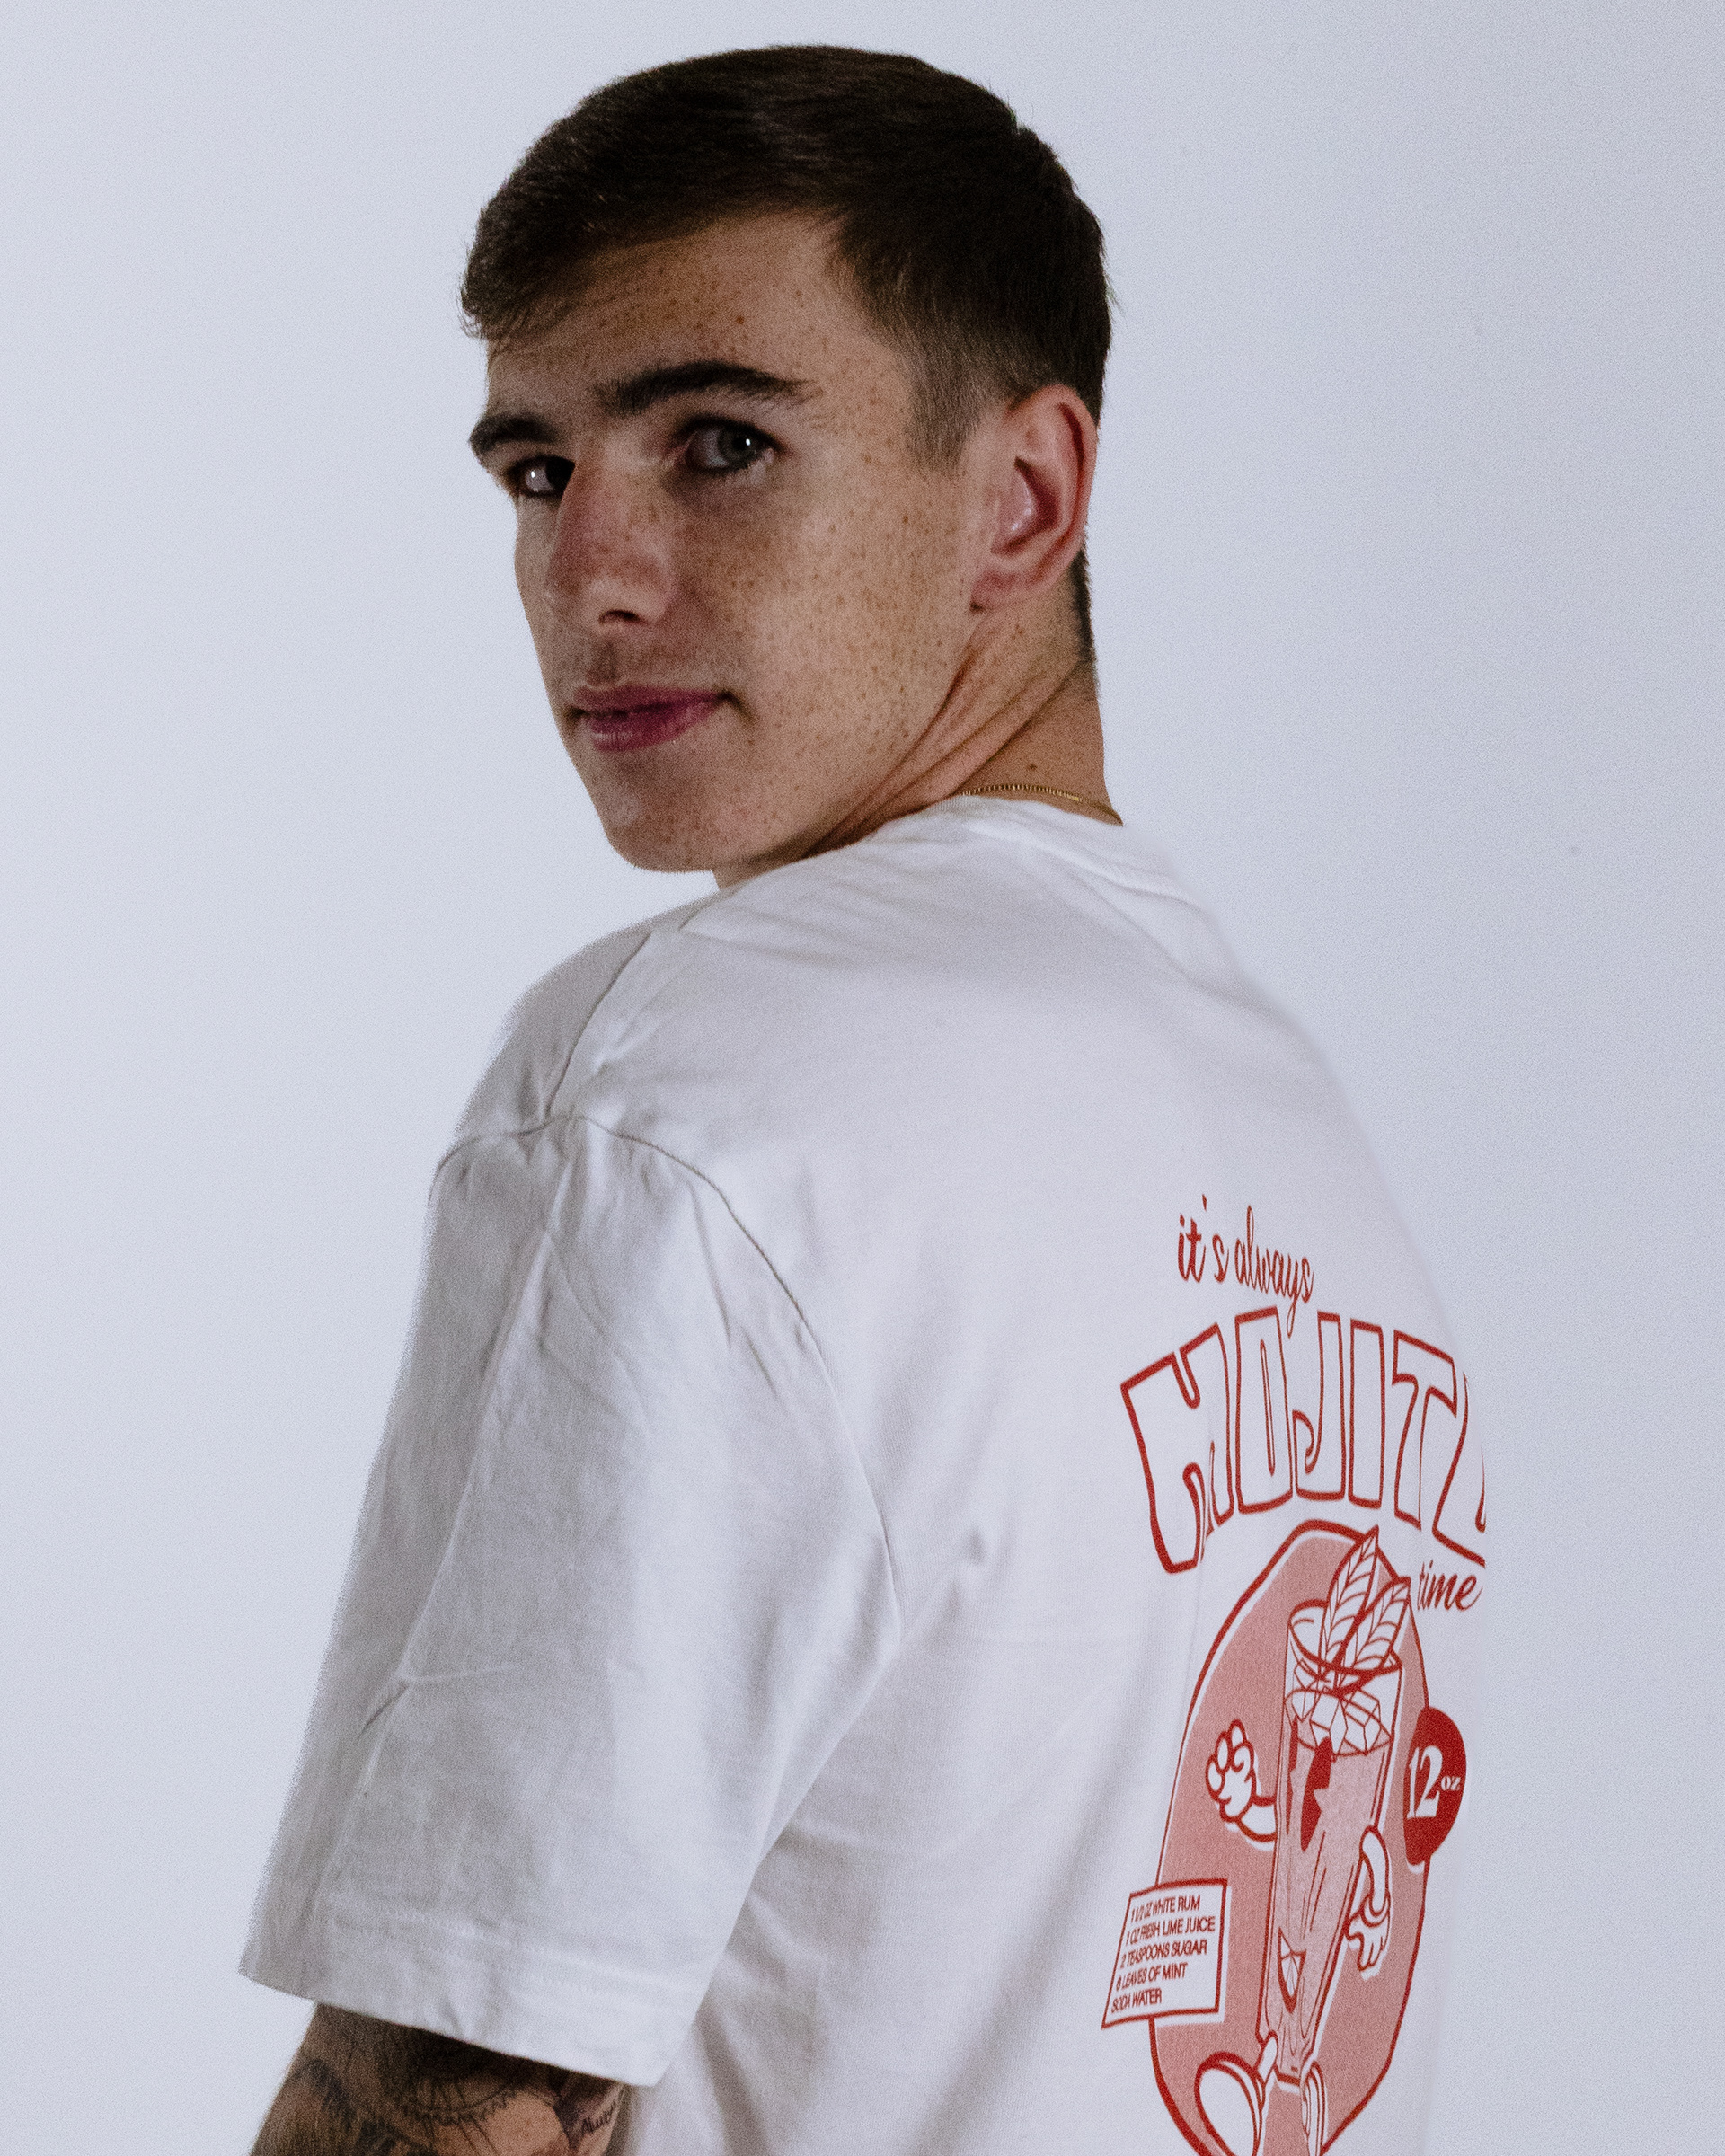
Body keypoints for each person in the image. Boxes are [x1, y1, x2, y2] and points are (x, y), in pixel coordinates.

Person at [243, 47, 1485, 2156]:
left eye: (719, 444)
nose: (591, 571)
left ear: (1023, 499)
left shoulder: (687, 1087)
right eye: (537, 469)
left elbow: (468, 2099)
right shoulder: (1301, 1146)